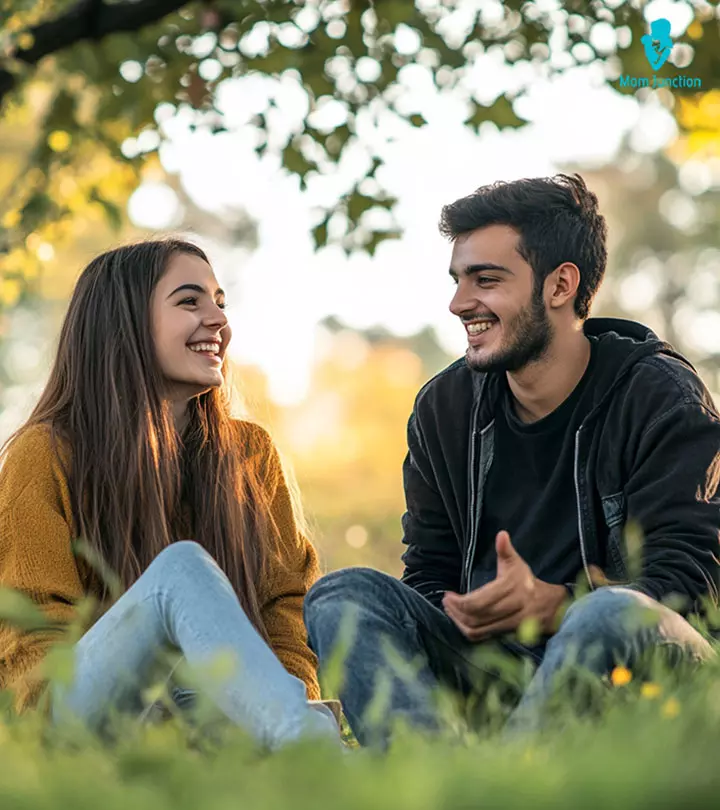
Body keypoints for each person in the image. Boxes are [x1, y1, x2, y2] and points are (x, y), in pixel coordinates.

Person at [304, 174, 720, 747]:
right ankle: (431, 777)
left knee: (604, 616)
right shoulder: (443, 409)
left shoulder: (659, 397)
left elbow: (693, 592)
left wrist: (560, 606)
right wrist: (462, 612)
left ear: (560, 285)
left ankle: (507, 784)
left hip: (635, 680)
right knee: (342, 595)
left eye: (486, 279)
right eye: (457, 280)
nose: (458, 303)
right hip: (496, 675)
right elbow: (430, 572)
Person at [0, 239, 339, 750]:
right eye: (190, 301)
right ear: (124, 323)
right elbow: (29, 634)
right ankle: (312, 747)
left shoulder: (249, 454)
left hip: (202, 707)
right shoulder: (44, 452)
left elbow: (282, 609)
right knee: (180, 572)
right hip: (70, 715)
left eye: (220, 303)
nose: (218, 321)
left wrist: (273, 700)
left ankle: (288, 736)